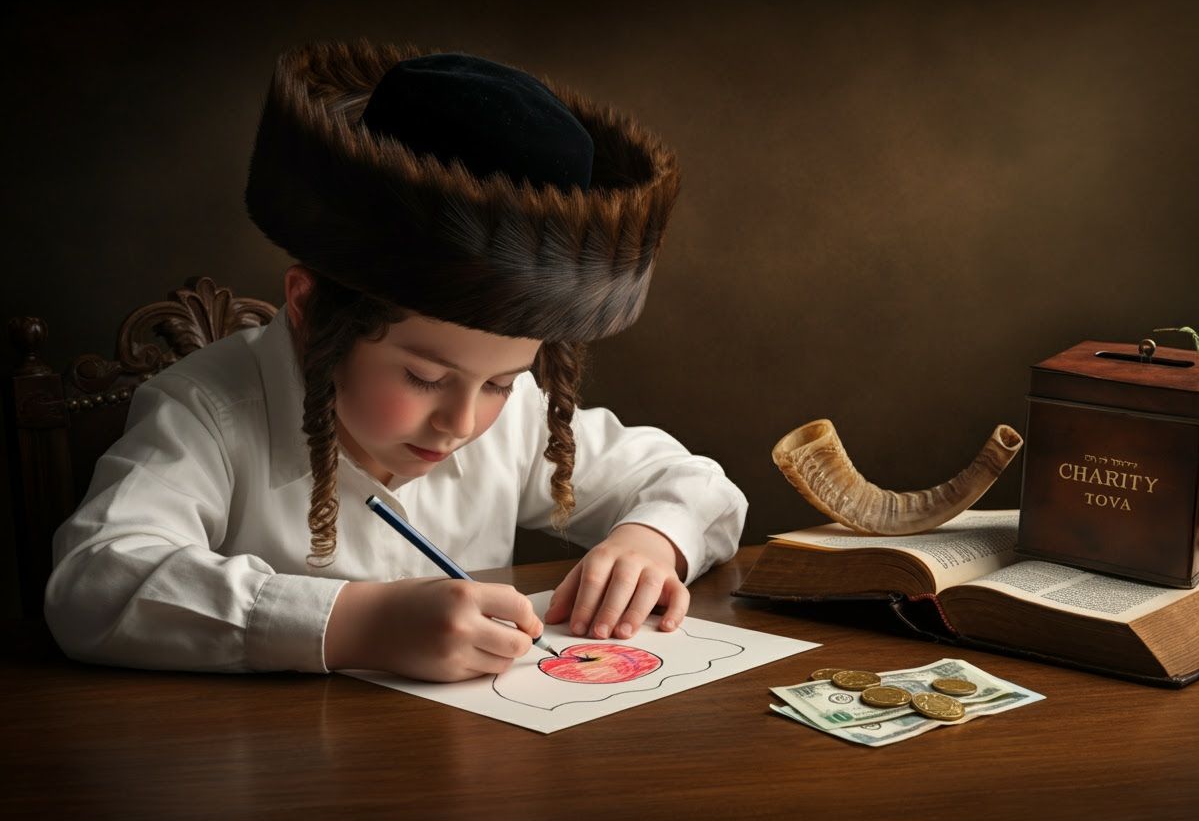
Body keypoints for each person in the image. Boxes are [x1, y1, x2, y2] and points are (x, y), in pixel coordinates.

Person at [43, 40, 748, 683]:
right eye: (425, 377)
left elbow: (698, 487)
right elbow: (95, 582)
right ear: (312, 311)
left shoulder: (512, 421)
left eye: (501, 382)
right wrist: (355, 625)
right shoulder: (207, 410)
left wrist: (650, 541)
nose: (462, 421)